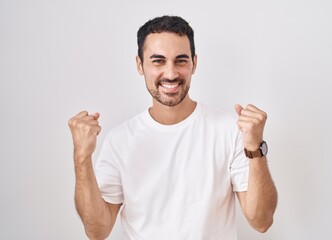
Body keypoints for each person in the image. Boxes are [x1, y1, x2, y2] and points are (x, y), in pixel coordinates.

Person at [68, 15, 277, 240]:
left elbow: (261, 221)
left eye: (181, 60)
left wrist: (255, 148)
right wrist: (82, 157)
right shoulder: (119, 140)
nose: (170, 73)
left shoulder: (229, 130)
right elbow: (97, 231)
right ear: (140, 65)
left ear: (194, 63)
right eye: (158, 61)